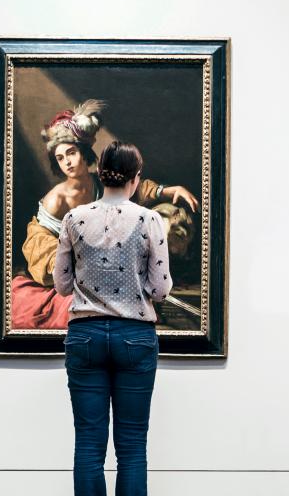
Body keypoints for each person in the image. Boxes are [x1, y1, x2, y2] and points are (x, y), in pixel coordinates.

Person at [53, 141, 171, 496]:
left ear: (101, 173)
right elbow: (159, 289)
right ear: (136, 178)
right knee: (132, 448)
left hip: (84, 336)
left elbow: (62, 285)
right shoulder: (149, 219)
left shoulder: (73, 218)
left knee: (88, 446)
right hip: (135, 337)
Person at [11, 100, 197, 329]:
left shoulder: (99, 183)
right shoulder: (55, 200)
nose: (67, 162)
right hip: (66, 276)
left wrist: (169, 190)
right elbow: (41, 246)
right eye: (60, 158)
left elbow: (134, 190)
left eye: (71, 153)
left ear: (84, 152)